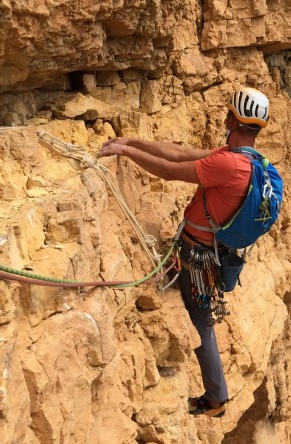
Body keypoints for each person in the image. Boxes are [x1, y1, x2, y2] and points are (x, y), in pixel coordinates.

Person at [98, 87, 271, 418]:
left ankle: (216, 399)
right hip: (214, 252)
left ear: (232, 119)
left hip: (198, 257)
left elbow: (169, 169)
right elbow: (179, 153)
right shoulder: (250, 161)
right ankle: (216, 394)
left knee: (201, 321)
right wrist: (132, 141)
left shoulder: (228, 164)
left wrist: (127, 152)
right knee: (201, 312)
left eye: (227, 115)